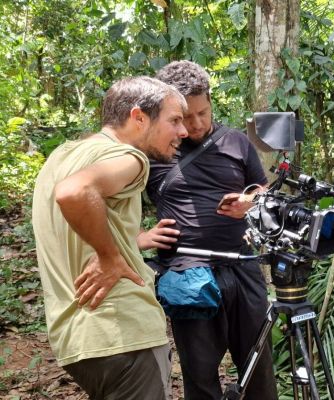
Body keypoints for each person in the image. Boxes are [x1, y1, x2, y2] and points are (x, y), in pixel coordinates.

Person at [31, 76, 188, 399]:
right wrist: (109, 256)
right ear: (139, 117)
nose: (183, 132)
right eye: (174, 120)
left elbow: (74, 219)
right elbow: (75, 192)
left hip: (79, 340)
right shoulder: (131, 158)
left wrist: (128, 244)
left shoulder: (62, 156)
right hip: (123, 331)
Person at [137, 60, 278, 400]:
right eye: (186, 117)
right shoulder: (152, 151)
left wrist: (250, 202)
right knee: (200, 375)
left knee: (258, 371)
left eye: (203, 112)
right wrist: (137, 239)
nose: (197, 124)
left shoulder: (235, 142)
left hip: (243, 266)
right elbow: (114, 207)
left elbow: (264, 192)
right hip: (188, 273)